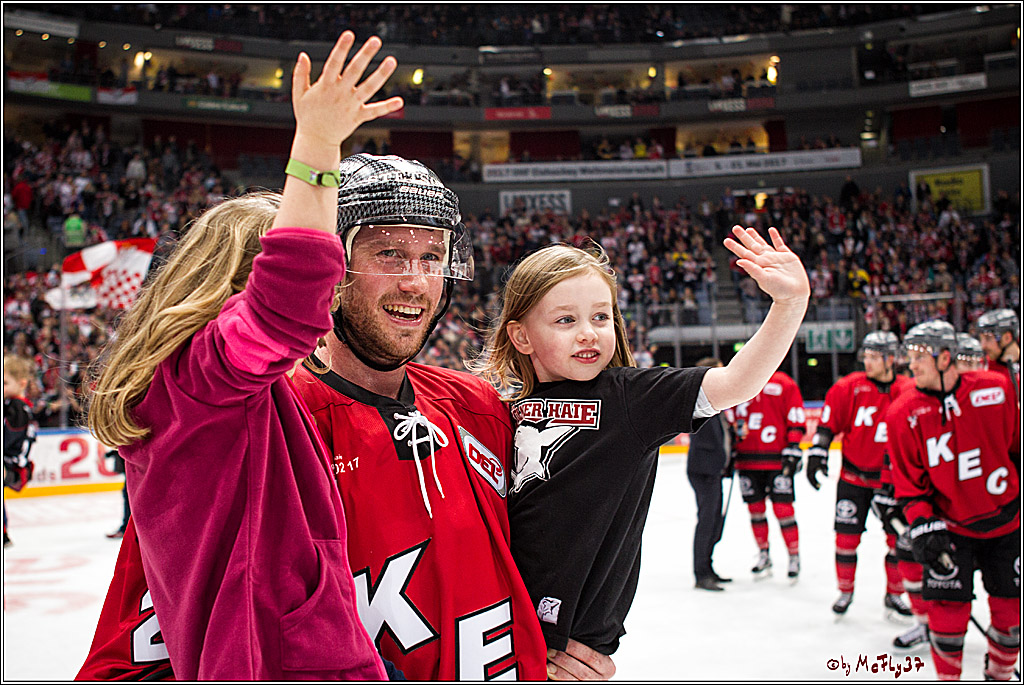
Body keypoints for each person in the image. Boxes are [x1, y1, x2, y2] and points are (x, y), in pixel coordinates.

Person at [78, 31, 404, 680]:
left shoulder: (206, 390)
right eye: (326, 279)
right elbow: (287, 298)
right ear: (232, 284)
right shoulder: (195, 381)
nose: (329, 302)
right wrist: (317, 146)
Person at [289, 154, 613, 681]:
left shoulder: (477, 405)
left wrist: (573, 643)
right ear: (331, 265)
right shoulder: (275, 423)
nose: (416, 282)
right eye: (388, 254)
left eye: (432, 257)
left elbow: (561, 533)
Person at [474, 226, 809, 656]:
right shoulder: (498, 405)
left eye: (600, 316)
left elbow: (736, 383)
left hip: (569, 645)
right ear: (521, 336)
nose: (588, 333)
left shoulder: (630, 398)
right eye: (565, 320)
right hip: (494, 623)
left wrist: (789, 303)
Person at [888, 321, 1020, 680]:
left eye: (919, 356)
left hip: (1007, 524)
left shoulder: (995, 389)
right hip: (950, 529)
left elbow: (1016, 449)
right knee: (946, 625)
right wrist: (922, 523)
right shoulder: (902, 413)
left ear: (945, 357)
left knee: (1013, 625)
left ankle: (1000, 675)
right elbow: (909, 485)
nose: (910, 365)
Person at [804, 331, 915, 617]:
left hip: (892, 482)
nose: (867, 361)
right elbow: (828, 425)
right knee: (846, 539)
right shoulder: (848, 386)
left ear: (891, 359)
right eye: (865, 355)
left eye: (874, 356)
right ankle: (845, 591)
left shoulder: (908, 389)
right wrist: (818, 452)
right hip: (853, 479)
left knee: (898, 541)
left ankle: (894, 594)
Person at [729, 367, 806, 580]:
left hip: (777, 460)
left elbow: (796, 416)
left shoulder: (784, 383)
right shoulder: (741, 379)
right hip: (746, 459)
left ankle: (793, 555)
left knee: (783, 510)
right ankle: (763, 553)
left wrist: (793, 446)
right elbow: (731, 418)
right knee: (755, 510)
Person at [686, 357, 734, 591]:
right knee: (707, 521)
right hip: (704, 470)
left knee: (714, 520)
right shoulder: (701, 404)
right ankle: (701, 572)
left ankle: (708, 567)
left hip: (714, 470)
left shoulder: (716, 404)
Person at [4, 354, 38, 548]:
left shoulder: (17, 409)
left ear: (21, 383)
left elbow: (9, 441)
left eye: (5, 383)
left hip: (13, 467)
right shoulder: (13, 406)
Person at [976, 308, 1020, 404]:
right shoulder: (981, 368)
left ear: (1007, 337)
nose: (983, 346)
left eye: (988, 338)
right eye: (981, 339)